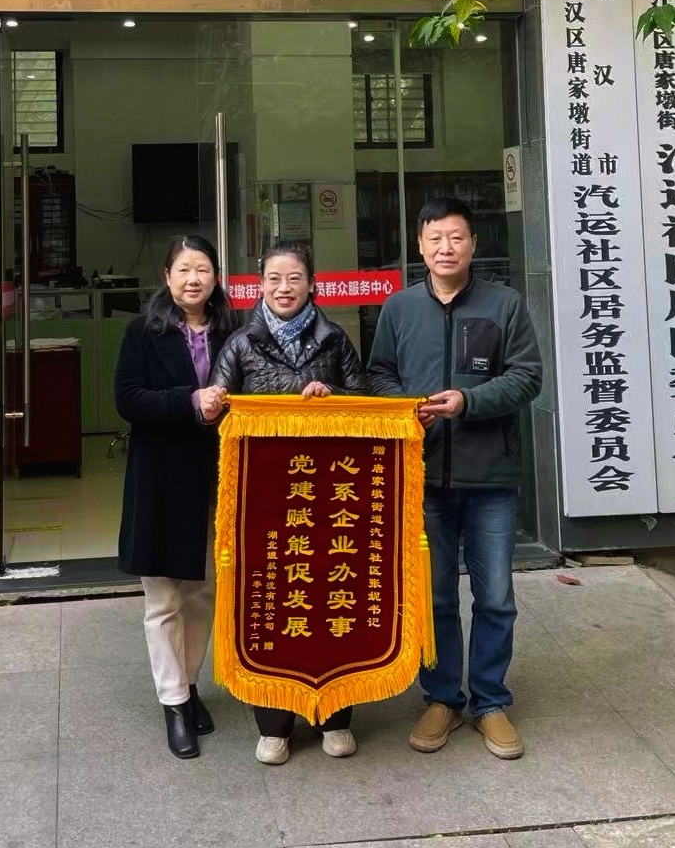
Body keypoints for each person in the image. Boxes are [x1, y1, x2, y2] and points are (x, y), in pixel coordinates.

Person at [367, 196, 543, 761]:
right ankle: (442, 697)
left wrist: (468, 401)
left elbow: (527, 377)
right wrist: (406, 407)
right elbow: (378, 373)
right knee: (436, 596)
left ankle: (490, 701)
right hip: (422, 478)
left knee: (496, 597)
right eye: (435, 238)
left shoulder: (504, 304)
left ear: (473, 244)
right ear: (420, 245)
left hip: (490, 477)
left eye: (456, 237)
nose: (446, 248)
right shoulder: (399, 308)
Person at [210, 240, 368, 766]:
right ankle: (274, 724)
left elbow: (366, 402)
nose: (284, 288)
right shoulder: (240, 344)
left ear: (311, 284)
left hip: (329, 496)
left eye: (294, 278)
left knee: (330, 594)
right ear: (260, 285)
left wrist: (335, 398)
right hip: (265, 498)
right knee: (271, 600)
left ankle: (335, 718)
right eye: (274, 278)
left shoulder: (335, 339)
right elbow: (218, 411)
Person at [114, 235, 237, 760]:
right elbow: (127, 399)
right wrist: (189, 401)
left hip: (216, 478)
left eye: (202, 269)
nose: (193, 279)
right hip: (161, 478)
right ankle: (173, 703)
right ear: (167, 277)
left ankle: (187, 685)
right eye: (183, 269)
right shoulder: (142, 331)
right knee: (164, 597)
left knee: (204, 591)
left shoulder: (234, 331)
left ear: (215, 277)